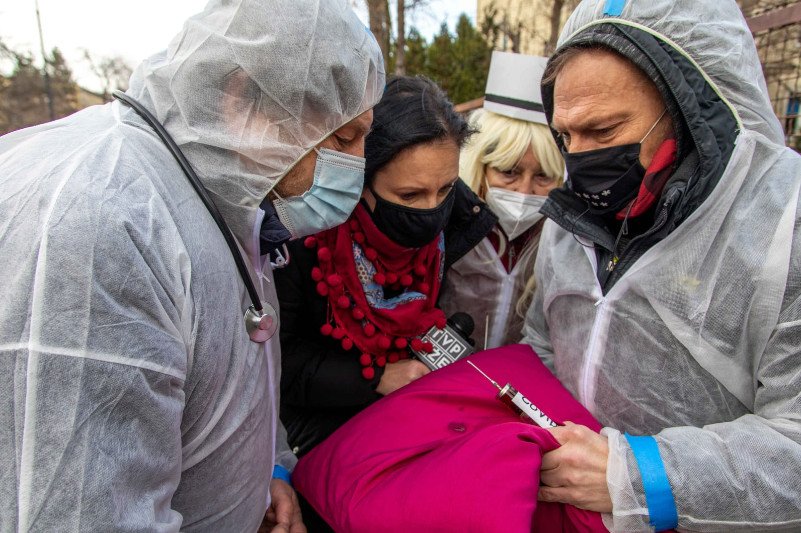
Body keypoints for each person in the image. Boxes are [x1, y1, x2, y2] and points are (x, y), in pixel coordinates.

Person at [0, 0, 384, 531]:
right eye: (343, 138)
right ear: (242, 102)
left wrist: (262, 475)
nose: (357, 165)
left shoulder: (224, 194)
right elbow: (81, 509)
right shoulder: (108, 218)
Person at [522, 0, 801, 531]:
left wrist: (639, 476)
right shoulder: (572, 219)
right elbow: (543, 343)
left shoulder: (785, 226)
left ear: (688, 106)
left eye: (604, 132)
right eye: (567, 137)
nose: (580, 160)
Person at [275, 76, 497, 458]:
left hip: (409, 426)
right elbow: (277, 362)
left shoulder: (461, 224)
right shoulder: (301, 235)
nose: (431, 210)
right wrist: (376, 378)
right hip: (315, 442)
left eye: (445, 189)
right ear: (361, 180)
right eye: (409, 195)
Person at [439, 51, 565, 349]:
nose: (524, 191)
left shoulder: (560, 243)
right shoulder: (446, 224)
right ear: (480, 166)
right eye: (509, 172)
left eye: (543, 177)